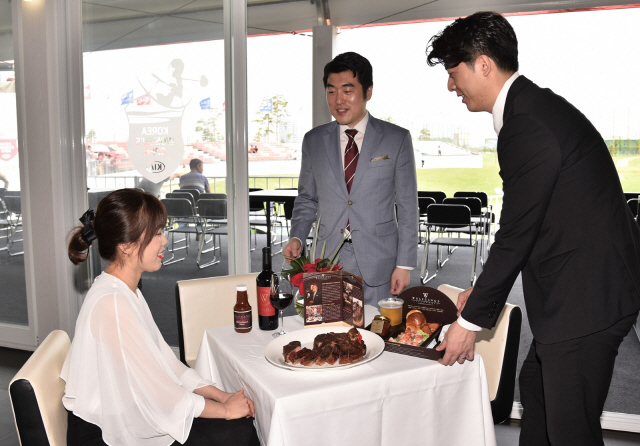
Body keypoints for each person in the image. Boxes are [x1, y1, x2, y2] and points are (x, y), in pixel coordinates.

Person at [426, 11, 640, 446]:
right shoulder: (532, 108)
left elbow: (517, 232)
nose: (451, 86)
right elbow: (538, 224)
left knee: (570, 431)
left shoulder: (527, 123)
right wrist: (482, 293)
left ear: (482, 64)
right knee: (539, 398)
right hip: (582, 293)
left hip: (585, 301)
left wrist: (469, 321)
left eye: (453, 73)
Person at [64, 189, 258, 446]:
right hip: (104, 431)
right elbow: (158, 393)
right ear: (126, 245)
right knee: (237, 432)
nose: (164, 241)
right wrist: (225, 410)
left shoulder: (123, 290)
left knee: (235, 427)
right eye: (156, 234)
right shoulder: (112, 303)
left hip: (119, 410)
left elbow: (166, 364)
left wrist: (220, 396)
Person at [283, 52, 418, 306]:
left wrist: (405, 263)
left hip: (380, 260)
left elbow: (408, 206)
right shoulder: (313, 140)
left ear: (368, 92)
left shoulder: (396, 138)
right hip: (327, 259)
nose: (338, 100)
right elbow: (306, 198)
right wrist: (297, 237)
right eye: (331, 91)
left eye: (347, 91)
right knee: (329, 337)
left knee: (379, 337)